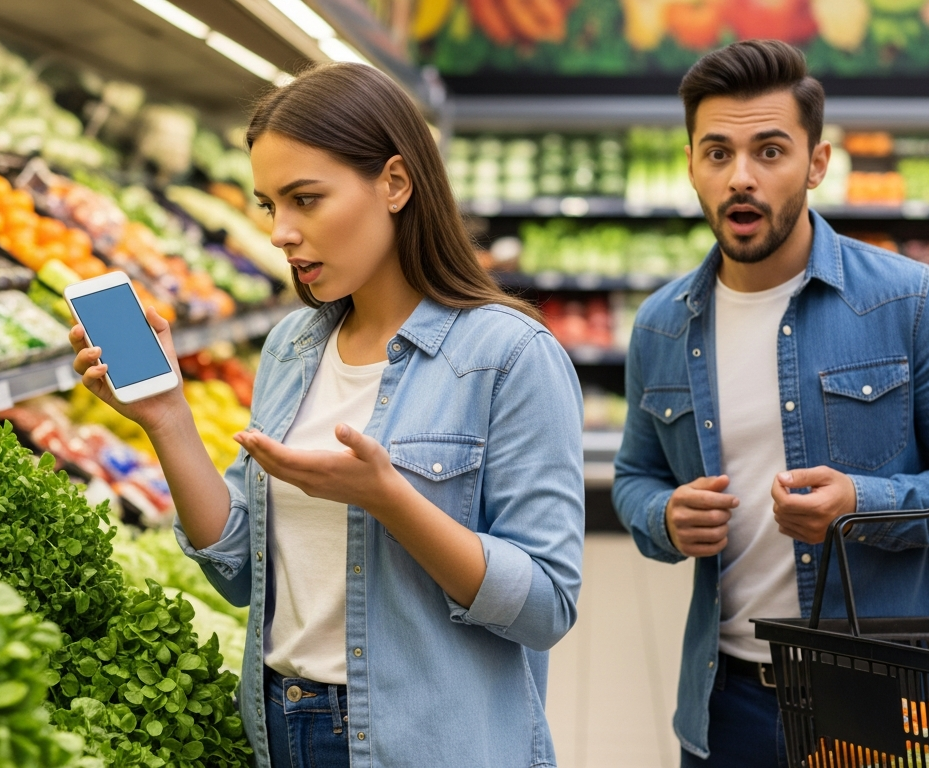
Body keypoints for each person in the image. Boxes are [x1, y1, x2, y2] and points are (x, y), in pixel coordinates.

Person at [70, 62, 586, 768]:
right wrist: (166, 418)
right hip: (283, 727)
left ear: (396, 184)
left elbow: (547, 605)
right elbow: (240, 577)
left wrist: (390, 501)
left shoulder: (509, 356)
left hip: (425, 744)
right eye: (268, 206)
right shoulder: (293, 346)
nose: (281, 232)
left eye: (305, 200)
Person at [611, 40, 929, 767]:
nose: (741, 177)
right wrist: (663, 518)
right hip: (723, 705)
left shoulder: (911, 301)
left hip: (879, 703)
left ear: (818, 162)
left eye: (770, 151)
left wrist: (861, 504)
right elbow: (635, 480)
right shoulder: (662, 325)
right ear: (690, 165)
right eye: (717, 153)